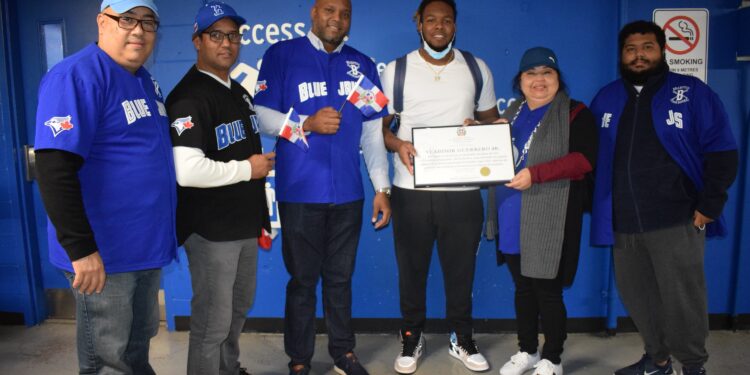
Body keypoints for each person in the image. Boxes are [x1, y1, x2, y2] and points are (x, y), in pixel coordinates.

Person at [33, 1, 176, 373]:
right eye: (127, 19)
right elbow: (54, 168)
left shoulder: (145, 81)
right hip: (104, 254)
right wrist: (81, 249)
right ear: (102, 22)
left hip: (143, 248)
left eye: (148, 22)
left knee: (135, 346)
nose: (139, 30)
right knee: (108, 357)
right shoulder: (76, 76)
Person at [590, 21, 738, 375]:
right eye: (630, 49)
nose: (639, 55)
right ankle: (657, 360)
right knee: (639, 300)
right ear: (621, 55)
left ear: (662, 50)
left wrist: (709, 205)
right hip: (624, 222)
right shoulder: (607, 97)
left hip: (678, 219)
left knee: (683, 300)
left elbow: (722, 152)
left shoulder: (692, 93)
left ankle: (693, 366)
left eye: (647, 47)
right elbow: (588, 155)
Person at [253, 0, 391, 374]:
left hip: (349, 193)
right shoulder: (282, 55)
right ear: (314, 13)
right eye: (329, 10)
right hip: (299, 192)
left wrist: (382, 187)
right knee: (302, 281)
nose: (337, 18)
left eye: (344, 13)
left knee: (340, 279)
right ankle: (299, 359)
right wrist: (305, 124)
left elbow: (373, 134)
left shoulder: (360, 64)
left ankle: (343, 353)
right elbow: (261, 115)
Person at [379, 0, 499, 373]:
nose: (439, 26)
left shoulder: (476, 69)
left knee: (461, 271)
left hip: (463, 193)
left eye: (446, 20)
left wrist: (481, 132)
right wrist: (398, 144)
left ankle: (461, 337)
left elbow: (492, 123)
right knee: (411, 270)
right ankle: (412, 337)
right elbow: (379, 130)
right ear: (419, 24)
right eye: (431, 19)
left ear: (455, 26)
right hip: (410, 191)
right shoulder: (396, 71)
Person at [165, 2, 275, 375]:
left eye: (232, 35)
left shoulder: (238, 91)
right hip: (212, 231)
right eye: (216, 35)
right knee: (212, 323)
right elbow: (187, 170)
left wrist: (261, 218)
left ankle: (229, 369)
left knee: (237, 310)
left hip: (243, 225)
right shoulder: (189, 96)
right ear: (197, 41)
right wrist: (248, 169)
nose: (227, 43)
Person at [489, 47, 598, 375]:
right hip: (510, 214)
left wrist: (536, 174)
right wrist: (477, 137)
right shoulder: (511, 115)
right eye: (530, 74)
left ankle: (553, 357)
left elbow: (583, 160)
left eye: (546, 73)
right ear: (519, 81)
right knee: (522, 288)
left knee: (547, 291)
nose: (539, 80)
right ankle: (527, 351)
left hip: (549, 217)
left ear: (558, 79)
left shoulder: (575, 113)